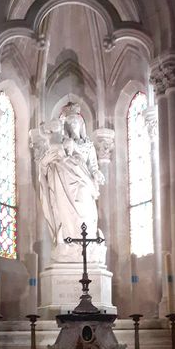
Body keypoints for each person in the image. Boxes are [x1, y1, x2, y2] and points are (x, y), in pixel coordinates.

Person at [37, 103, 106, 263]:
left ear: (81, 124)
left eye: (76, 122)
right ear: (66, 126)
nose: (73, 125)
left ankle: (88, 243)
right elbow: (50, 158)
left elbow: (93, 166)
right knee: (64, 211)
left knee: (86, 210)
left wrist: (97, 173)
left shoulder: (88, 145)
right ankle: (67, 242)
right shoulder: (61, 144)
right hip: (64, 182)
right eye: (70, 122)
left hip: (84, 182)